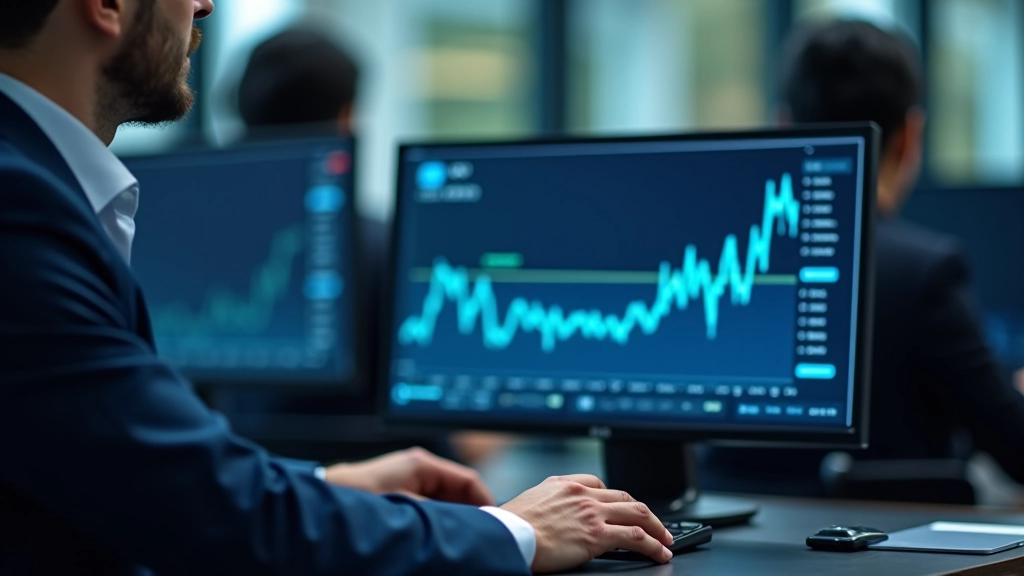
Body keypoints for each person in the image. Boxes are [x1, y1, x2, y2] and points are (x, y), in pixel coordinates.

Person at [0, 1, 676, 574]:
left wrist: (329, 484)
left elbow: (131, 476)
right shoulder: (19, 206)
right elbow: (193, 504)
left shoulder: (36, 187)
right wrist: (516, 532)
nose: (204, 4)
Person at [701, 19, 1024, 497]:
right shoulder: (924, 271)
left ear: (783, 125)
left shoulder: (718, 270)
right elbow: (1015, 449)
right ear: (911, 136)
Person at [233, 24, 513, 467]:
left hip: (247, 494)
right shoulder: (396, 251)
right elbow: (461, 447)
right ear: (347, 117)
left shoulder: (202, 266)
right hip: (404, 500)